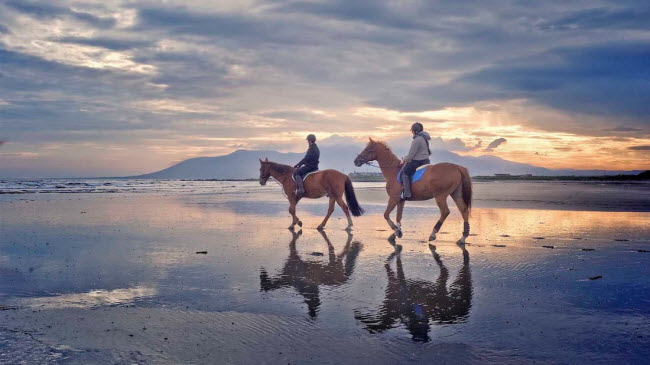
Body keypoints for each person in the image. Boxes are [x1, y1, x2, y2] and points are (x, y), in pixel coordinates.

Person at [401, 123, 431, 199]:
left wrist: (404, 159)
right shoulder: (424, 138)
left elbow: (411, 156)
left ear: (416, 131)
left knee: (405, 172)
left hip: (418, 162)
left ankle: (407, 193)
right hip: (426, 161)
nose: (412, 132)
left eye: (412, 131)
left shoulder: (416, 140)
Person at [294, 134, 320, 198]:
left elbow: (306, 159)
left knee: (297, 172)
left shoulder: (311, 149)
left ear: (310, 141)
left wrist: (297, 165)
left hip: (310, 167)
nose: (307, 141)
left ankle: (301, 189)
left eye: (308, 140)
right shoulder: (317, 148)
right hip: (315, 166)